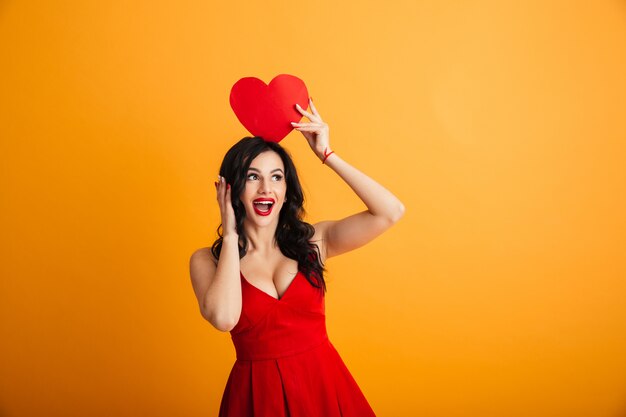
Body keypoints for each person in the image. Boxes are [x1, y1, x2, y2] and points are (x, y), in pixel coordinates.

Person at [189, 98, 405, 416]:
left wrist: (327, 155)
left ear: (287, 189)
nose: (266, 188)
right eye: (252, 177)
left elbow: (390, 212)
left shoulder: (314, 241)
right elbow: (224, 319)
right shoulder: (207, 260)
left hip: (325, 390)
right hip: (257, 400)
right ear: (230, 189)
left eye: (276, 177)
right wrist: (232, 234)